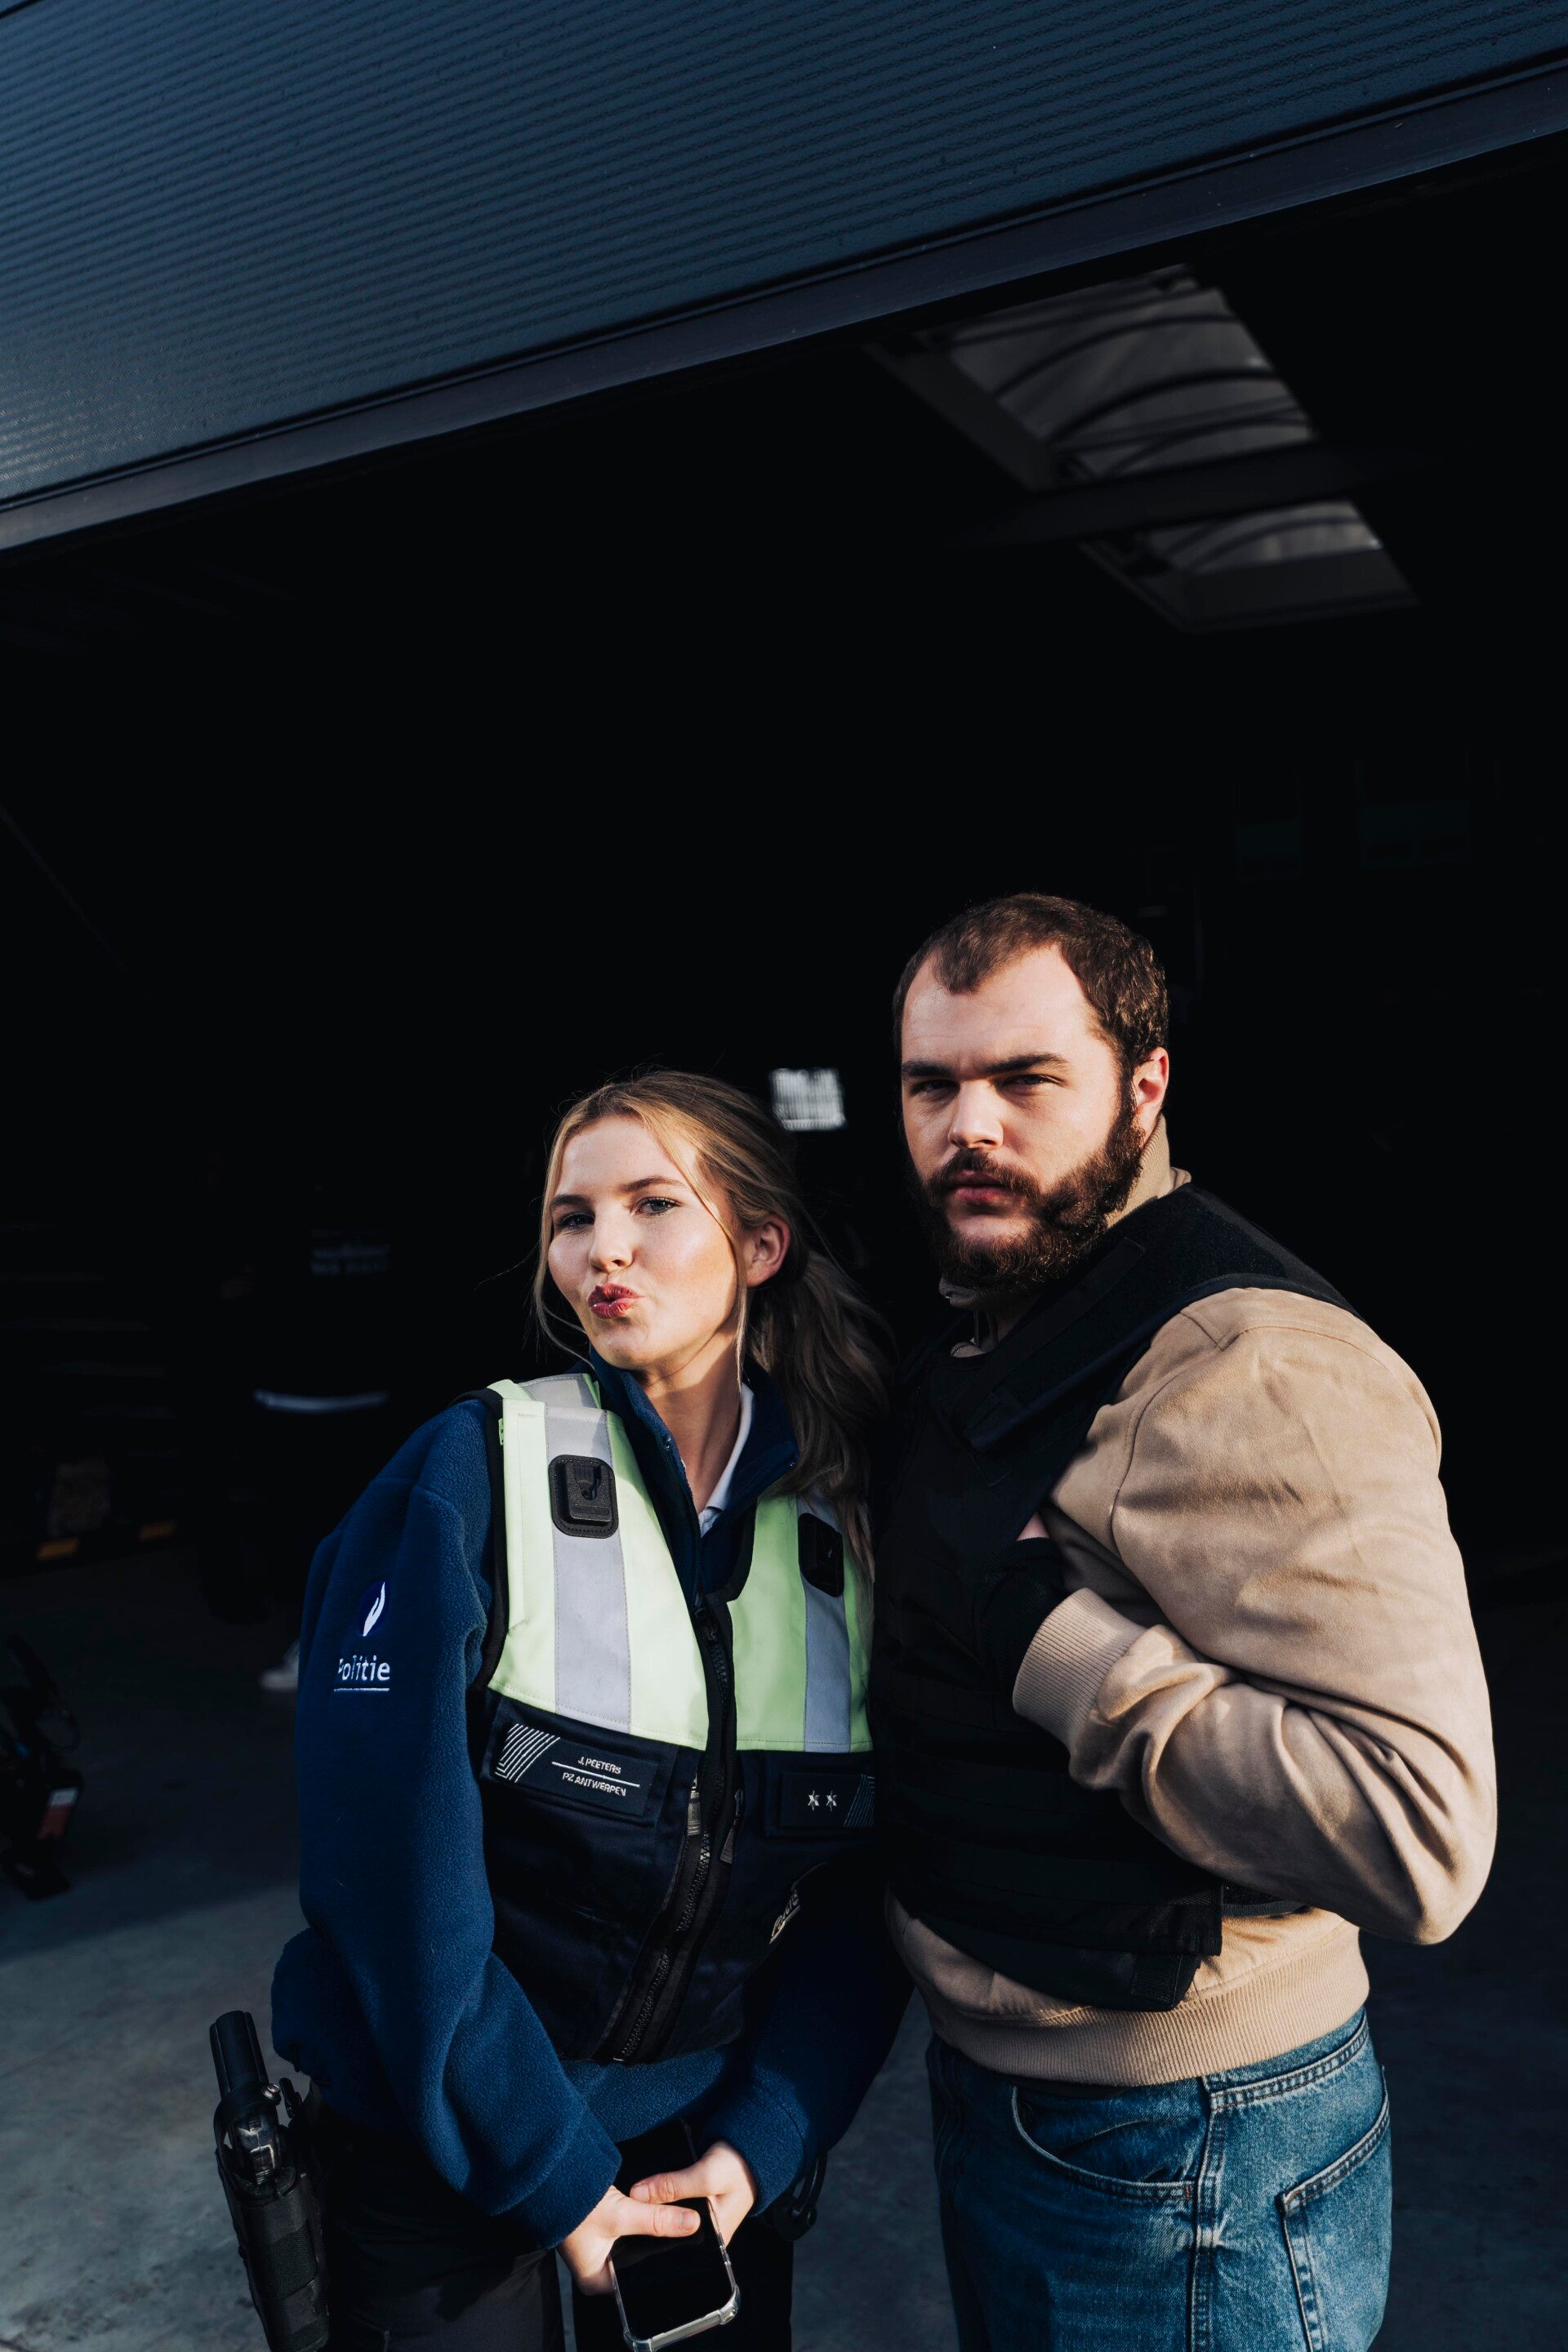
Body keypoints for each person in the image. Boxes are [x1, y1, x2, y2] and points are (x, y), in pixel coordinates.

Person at [871, 893, 1496, 2352]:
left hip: (1193, 2145)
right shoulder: (1005, 1312)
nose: (970, 1126)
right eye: (932, 1085)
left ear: (1144, 1087)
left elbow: (1420, 1834)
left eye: (1027, 1080)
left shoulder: (1254, 1360)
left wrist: (1056, 1644)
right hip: (1019, 2107)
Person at [271, 1071, 905, 2351]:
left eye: (652, 1205)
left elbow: (870, 1892)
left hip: (700, 2151)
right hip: (438, 2131)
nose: (602, 1248)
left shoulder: (851, 1537)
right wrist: (552, 2173)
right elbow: (389, 1881)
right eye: (572, 1218)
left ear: (762, 1245)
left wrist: (766, 2136)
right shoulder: (466, 1476)